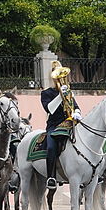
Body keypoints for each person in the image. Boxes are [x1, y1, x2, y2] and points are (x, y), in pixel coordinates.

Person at [40, 61, 80, 190]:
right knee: (51, 147)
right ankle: (51, 177)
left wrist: (77, 113)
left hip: (70, 123)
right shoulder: (46, 93)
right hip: (54, 126)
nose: (60, 78)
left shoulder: (68, 91)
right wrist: (60, 96)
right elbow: (49, 109)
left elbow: (75, 106)